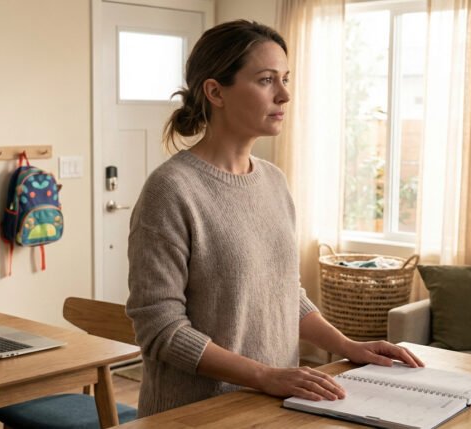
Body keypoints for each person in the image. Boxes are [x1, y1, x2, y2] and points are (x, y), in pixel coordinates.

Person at [126, 19, 424, 417]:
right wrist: (265, 375)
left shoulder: (274, 181)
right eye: (267, 80)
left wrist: (348, 346)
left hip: (274, 407)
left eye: (285, 79)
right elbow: (161, 330)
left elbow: (285, 295)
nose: (284, 95)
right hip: (195, 415)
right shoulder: (171, 190)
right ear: (215, 91)